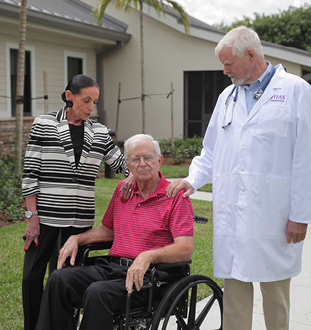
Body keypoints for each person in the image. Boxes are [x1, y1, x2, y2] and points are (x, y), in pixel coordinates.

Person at [166, 26, 311, 330]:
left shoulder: (295, 90)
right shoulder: (227, 97)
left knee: (275, 297)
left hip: (274, 215)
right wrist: (192, 179)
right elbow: (210, 150)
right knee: (235, 295)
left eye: (229, 64)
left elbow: (307, 157)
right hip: (233, 216)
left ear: (251, 55)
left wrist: (300, 215)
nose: (224, 71)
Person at [36, 133, 194, 330]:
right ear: (128, 165)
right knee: (59, 279)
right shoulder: (123, 189)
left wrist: (147, 256)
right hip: (112, 268)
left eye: (148, 157)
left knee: (97, 292)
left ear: (159, 160)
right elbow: (108, 231)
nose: (142, 163)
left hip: (150, 278)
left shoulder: (176, 196)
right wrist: (77, 238)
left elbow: (185, 248)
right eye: (135, 159)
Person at [22, 74, 134, 330]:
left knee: (66, 279)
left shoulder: (99, 132)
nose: (91, 107)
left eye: (94, 102)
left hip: (79, 222)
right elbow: (30, 172)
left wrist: (131, 177)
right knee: (31, 277)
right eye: (87, 100)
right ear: (69, 96)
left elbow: (121, 163)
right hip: (45, 219)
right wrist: (32, 217)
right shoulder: (44, 123)